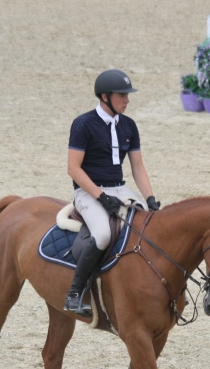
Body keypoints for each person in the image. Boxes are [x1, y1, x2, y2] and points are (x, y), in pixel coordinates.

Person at [64, 69, 161, 317]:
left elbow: (137, 167)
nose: (127, 100)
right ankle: (75, 293)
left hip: (119, 187)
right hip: (88, 191)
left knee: (148, 226)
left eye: (127, 96)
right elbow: (73, 168)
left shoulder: (128, 125)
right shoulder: (84, 124)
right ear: (105, 97)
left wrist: (149, 198)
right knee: (104, 234)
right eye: (122, 96)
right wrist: (100, 196)